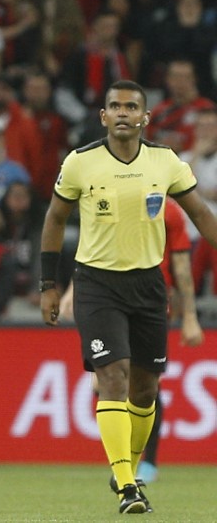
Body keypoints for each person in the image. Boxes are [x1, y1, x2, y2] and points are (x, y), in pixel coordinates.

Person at [40, 80, 217, 514]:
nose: (122, 112)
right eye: (114, 106)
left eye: (131, 106)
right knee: (112, 376)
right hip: (97, 284)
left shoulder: (166, 162)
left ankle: (128, 468)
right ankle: (127, 486)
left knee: (145, 389)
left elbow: (200, 214)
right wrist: (49, 284)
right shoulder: (81, 163)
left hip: (148, 286)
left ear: (145, 117)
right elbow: (55, 219)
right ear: (103, 116)